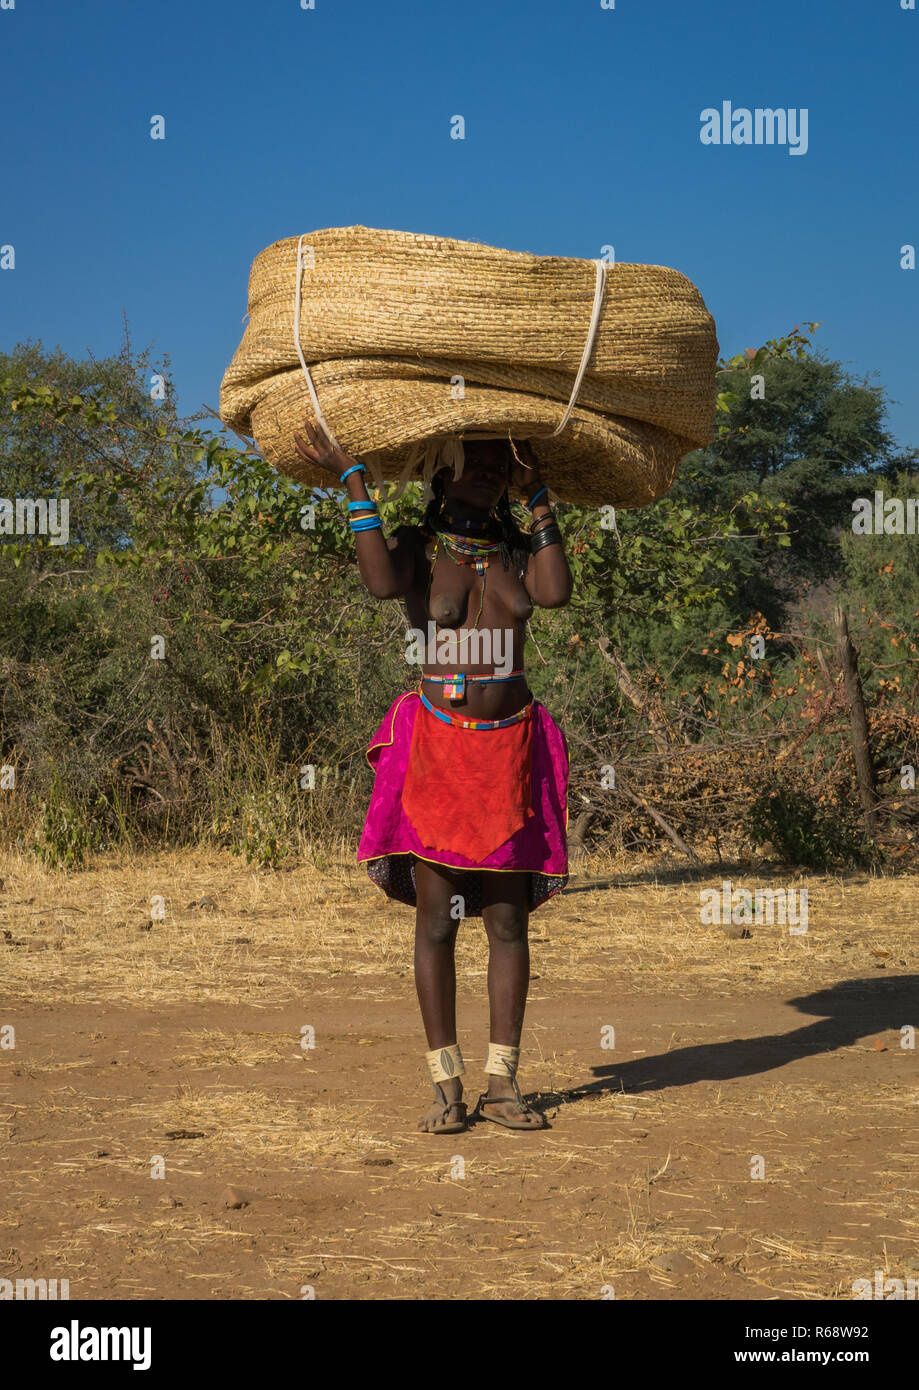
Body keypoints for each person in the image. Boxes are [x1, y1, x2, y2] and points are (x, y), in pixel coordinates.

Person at [293, 421, 572, 1133]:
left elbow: (555, 592)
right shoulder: (419, 552)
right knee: (439, 921)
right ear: (438, 474)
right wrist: (353, 477)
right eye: (471, 461)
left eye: (495, 463)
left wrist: (536, 489)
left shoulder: (513, 551)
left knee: (508, 921)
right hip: (442, 749)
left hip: (507, 749)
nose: (485, 472)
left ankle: (503, 1084)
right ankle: (445, 1087)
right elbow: (380, 583)